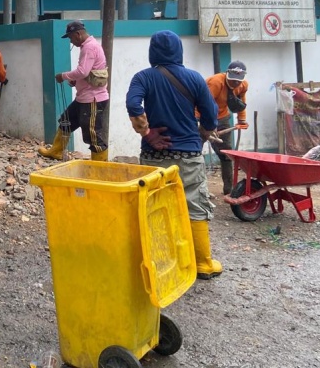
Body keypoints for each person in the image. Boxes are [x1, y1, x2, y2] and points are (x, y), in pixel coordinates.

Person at [125, 30, 222, 280]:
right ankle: (202, 263)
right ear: (179, 51)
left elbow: (133, 104)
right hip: (188, 155)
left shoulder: (143, 77)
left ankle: (159, 259)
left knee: (155, 206)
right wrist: (199, 136)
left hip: (154, 157)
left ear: (152, 51)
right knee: (194, 205)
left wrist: (147, 134)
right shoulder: (195, 78)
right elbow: (211, 116)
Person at [38, 20, 110, 161]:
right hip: (83, 97)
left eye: (71, 37)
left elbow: (82, 71)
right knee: (67, 120)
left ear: (78, 34)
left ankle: (100, 166)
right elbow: (88, 72)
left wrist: (63, 76)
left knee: (92, 134)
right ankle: (56, 151)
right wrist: (75, 81)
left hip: (93, 99)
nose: (71, 41)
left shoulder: (89, 47)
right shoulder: (88, 46)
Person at [206, 60, 250, 194]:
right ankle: (198, 190)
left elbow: (241, 103)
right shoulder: (215, 83)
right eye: (233, 80)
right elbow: (203, 104)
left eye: (238, 80)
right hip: (203, 115)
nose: (235, 83)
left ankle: (229, 189)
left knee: (226, 154)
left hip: (223, 117)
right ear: (227, 74)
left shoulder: (243, 85)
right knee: (194, 151)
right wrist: (208, 124)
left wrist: (242, 120)